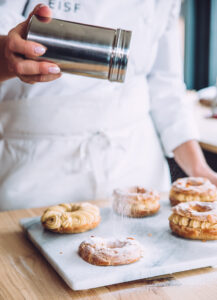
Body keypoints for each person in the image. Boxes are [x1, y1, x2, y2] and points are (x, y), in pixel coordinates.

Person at [0, 1, 216, 211]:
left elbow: (165, 86)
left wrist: (199, 169)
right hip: (34, 171)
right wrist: (6, 57)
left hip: (136, 166)